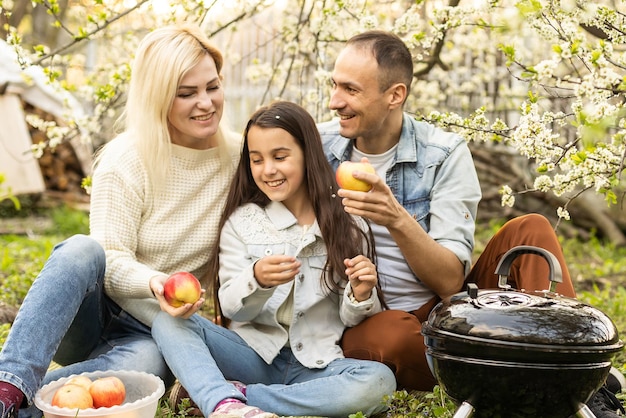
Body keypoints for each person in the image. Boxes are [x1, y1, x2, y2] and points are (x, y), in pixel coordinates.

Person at [317, 29, 624, 417]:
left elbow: (449, 282)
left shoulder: (443, 154)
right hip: (372, 315)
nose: (334, 102)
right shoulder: (317, 147)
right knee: (392, 334)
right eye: (334, 85)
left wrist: (395, 216)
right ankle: (532, 379)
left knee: (532, 228)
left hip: (452, 312)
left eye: (350, 90)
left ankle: (575, 374)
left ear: (395, 95)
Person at [0, 24, 240, 418]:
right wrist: (155, 282)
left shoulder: (239, 161)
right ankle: (8, 384)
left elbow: (303, 144)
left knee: (143, 376)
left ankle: (27, 408)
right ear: (159, 97)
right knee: (82, 249)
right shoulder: (126, 159)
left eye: (212, 87)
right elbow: (109, 257)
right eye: (186, 93)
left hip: (155, 329)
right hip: (93, 313)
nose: (206, 102)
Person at [151, 100, 396, 418]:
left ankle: (233, 397)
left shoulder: (348, 224)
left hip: (316, 363)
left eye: (280, 157)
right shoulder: (243, 223)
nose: (268, 170)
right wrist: (257, 279)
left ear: (308, 154)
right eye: (257, 160)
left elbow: (351, 320)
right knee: (167, 320)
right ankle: (224, 404)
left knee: (379, 381)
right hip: (250, 355)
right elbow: (232, 307)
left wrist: (360, 294)